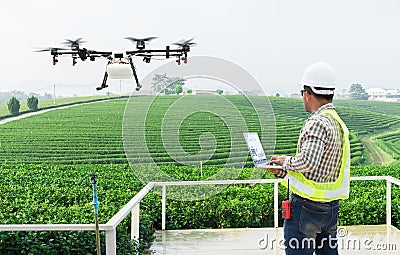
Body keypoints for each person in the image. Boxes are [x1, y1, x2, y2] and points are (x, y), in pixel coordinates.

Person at [264, 61, 350, 255]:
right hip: (330, 208)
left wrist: (285, 161)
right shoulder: (336, 121)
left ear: (308, 93)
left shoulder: (317, 122)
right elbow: (319, 168)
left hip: (306, 210)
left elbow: (309, 162)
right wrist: (282, 169)